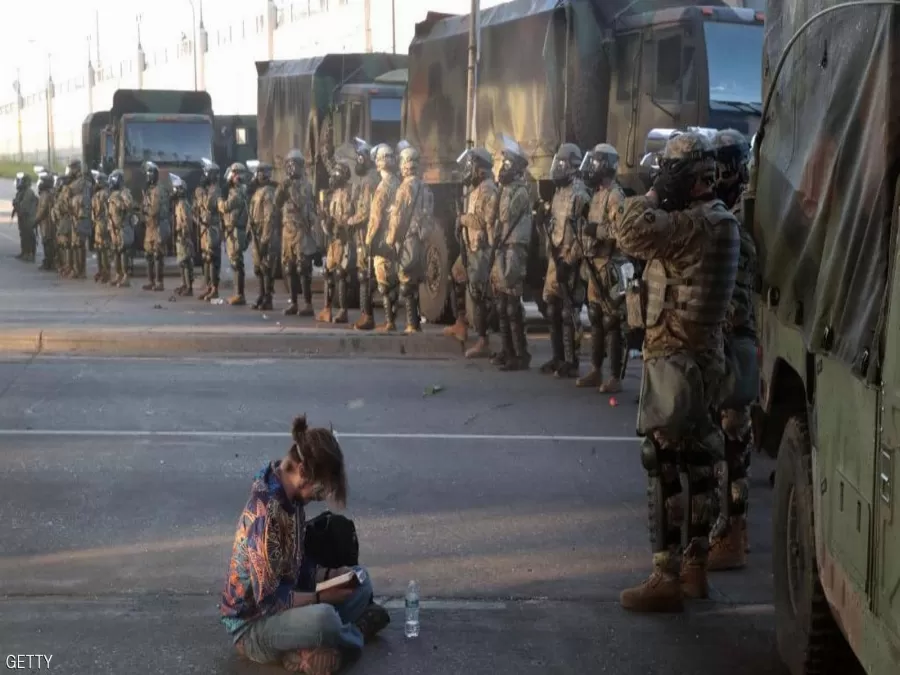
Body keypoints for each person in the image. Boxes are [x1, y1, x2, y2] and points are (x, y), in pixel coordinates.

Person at [614, 131, 740, 613]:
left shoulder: (690, 224)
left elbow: (628, 230)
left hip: (673, 357)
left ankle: (665, 574)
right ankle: (696, 568)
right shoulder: (723, 221)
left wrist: (649, 195)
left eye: (669, 174)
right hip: (706, 357)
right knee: (703, 463)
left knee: (664, 461)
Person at [221, 416, 390, 674]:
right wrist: (320, 596)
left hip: (291, 600)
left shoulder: (293, 499)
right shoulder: (266, 516)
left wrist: (330, 575)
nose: (321, 496)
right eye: (320, 488)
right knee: (325, 619)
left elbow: (296, 564)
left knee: (361, 580)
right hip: (255, 626)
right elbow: (269, 602)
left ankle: (312, 647)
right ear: (302, 471)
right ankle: (351, 638)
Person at [708, 128, 758, 571]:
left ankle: (734, 533)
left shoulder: (739, 217)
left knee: (734, 443)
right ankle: (725, 528)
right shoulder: (730, 211)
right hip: (725, 346)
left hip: (735, 343)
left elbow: (737, 301)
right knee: (725, 442)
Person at [577, 143, 627, 392]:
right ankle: (596, 370)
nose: (592, 167)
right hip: (595, 264)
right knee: (595, 317)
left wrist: (594, 230)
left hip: (610, 265)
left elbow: (619, 231)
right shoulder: (597, 194)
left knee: (612, 321)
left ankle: (615, 377)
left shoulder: (615, 196)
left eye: (596, 163)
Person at [540, 143, 590, 377]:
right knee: (552, 308)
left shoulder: (580, 194)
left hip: (571, 261)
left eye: (562, 164)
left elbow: (582, 235)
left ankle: (572, 361)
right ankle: (557, 357)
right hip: (555, 257)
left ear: (572, 165)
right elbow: (554, 228)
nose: (558, 168)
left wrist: (569, 261)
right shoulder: (560, 192)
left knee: (568, 312)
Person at [445, 147, 498, 357]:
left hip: (482, 250)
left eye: (472, 166)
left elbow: (484, 221)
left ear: (480, 169)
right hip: (471, 247)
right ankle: (461, 324)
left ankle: (483, 341)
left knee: (478, 295)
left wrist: (462, 219)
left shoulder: (489, 190)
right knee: (456, 275)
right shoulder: (478, 189)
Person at [489, 134, 533, 371]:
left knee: (511, 305)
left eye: (507, 164)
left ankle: (520, 354)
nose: (502, 168)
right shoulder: (506, 190)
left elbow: (505, 216)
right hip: (504, 246)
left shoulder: (520, 191)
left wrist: (499, 191)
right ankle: (507, 350)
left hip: (514, 248)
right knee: (501, 302)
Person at [385, 145, 430, 333]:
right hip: (422, 239)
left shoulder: (404, 188)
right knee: (416, 279)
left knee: (406, 282)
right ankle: (416, 322)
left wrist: (390, 239)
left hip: (408, 238)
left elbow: (397, 217)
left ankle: (412, 323)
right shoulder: (425, 188)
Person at [363, 144, 401, 332]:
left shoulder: (382, 187)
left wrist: (368, 241)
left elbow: (376, 218)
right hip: (396, 239)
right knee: (393, 279)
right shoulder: (398, 182)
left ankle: (389, 322)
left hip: (383, 238)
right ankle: (392, 319)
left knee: (383, 283)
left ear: (378, 163)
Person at [276, 150, 317, 317]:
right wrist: (282, 188)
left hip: (301, 230)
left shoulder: (306, 185)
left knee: (303, 267)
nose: (291, 168)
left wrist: (291, 188)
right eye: (289, 164)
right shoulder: (285, 184)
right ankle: (293, 302)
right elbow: (277, 203)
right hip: (287, 230)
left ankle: (308, 304)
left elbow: (301, 202)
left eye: (294, 164)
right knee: (289, 267)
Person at [349, 139, 380, 331]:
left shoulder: (369, 181)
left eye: (361, 158)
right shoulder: (367, 178)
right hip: (366, 232)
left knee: (365, 274)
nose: (358, 161)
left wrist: (349, 221)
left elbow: (365, 211)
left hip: (367, 232)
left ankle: (367, 316)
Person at [320, 161, 354, 324]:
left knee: (341, 273)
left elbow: (346, 216)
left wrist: (338, 225)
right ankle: (326, 309)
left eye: (336, 174)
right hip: (334, 240)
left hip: (343, 238)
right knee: (328, 272)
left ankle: (342, 310)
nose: (332, 177)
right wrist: (326, 220)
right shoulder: (333, 194)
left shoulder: (346, 194)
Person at [248, 161, 279, 311]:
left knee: (266, 266)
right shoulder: (257, 192)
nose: (259, 174)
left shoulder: (268, 192)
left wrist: (265, 239)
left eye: (261, 172)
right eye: (258, 172)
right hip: (257, 233)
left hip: (266, 234)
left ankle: (268, 297)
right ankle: (261, 294)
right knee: (258, 267)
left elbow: (269, 216)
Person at [219, 162, 250, 306]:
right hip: (234, 229)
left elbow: (225, 207)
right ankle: (237, 293)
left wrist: (220, 200)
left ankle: (240, 294)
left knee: (237, 263)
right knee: (235, 262)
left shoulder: (238, 192)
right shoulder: (237, 190)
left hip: (237, 230)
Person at [141, 161, 171, 292]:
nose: (149, 177)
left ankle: (159, 282)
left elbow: (154, 209)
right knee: (148, 254)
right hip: (150, 227)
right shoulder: (149, 190)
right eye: (147, 174)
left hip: (158, 226)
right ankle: (150, 281)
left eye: (151, 174)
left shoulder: (158, 190)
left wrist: (145, 211)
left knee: (158, 255)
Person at [196, 160, 223, 301]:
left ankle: (214, 288)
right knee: (206, 258)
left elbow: (207, 204)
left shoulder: (215, 190)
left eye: (207, 173)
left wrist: (200, 192)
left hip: (213, 228)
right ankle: (208, 286)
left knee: (212, 258)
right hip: (205, 228)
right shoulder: (208, 190)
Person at [64, 159, 92, 280]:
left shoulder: (82, 181)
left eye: (73, 168)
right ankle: (77, 269)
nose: (71, 171)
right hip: (75, 216)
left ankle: (81, 271)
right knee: (75, 244)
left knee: (79, 244)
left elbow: (68, 192)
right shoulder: (77, 181)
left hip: (81, 216)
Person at [107, 170, 136, 288]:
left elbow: (128, 205)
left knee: (124, 252)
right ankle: (118, 275)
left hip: (123, 227)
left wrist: (117, 201)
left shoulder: (125, 193)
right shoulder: (113, 194)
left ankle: (126, 277)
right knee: (116, 252)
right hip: (114, 228)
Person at [170, 174, 196, 297]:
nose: (174, 191)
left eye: (176, 189)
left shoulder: (183, 204)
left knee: (186, 261)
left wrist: (185, 234)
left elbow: (186, 220)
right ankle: (184, 284)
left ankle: (189, 286)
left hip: (184, 235)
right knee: (181, 261)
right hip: (180, 235)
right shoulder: (178, 203)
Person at [90, 171, 112, 284]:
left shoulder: (97, 195)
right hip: (102, 223)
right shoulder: (105, 194)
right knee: (102, 248)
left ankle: (103, 272)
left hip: (99, 223)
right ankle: (104, 272)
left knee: (100, 248)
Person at [12, 172, 38, 262]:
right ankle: (24, 252)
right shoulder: (21, 192)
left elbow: (24, 206)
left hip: (28, 217)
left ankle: (30, 253)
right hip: (23, 217)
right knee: (23, 235)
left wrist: (16, 204)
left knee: (29, 235)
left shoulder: (28, 192)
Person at [34, 171, 55, 271]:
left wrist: (36, 220)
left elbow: (42, 209)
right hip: (48, 222)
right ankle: (49, 262)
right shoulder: (49, 193)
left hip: (47, 222)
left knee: (47, 242)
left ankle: (48, 263)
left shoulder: (45, 195)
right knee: (48, 242)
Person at [52, 174, 72, 277]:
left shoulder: (65, 192)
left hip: (65, 220)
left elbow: (65, 207)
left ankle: (68, 265)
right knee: (61, 244)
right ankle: (64, 264)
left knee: (65, 244)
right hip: (60, 220)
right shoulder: (59, 193)